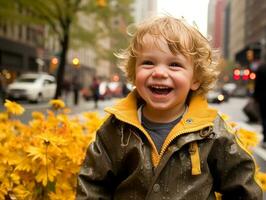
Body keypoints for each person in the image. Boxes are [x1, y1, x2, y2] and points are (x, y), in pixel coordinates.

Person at [76, 16, 262, 199]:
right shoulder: (115, 129)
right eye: (148, 63)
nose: (159, 72)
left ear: (195, 79)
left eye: (174, 65)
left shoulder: (212, 132)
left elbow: (243, 188)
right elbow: (93, 185)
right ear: (134, 72)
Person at [254, 62, 266, 148]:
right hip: (262, 97)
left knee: (264, 117)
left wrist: (256, 97)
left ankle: (265, 138)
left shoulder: (261, 67)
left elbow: (257, 84)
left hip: (263, 97)